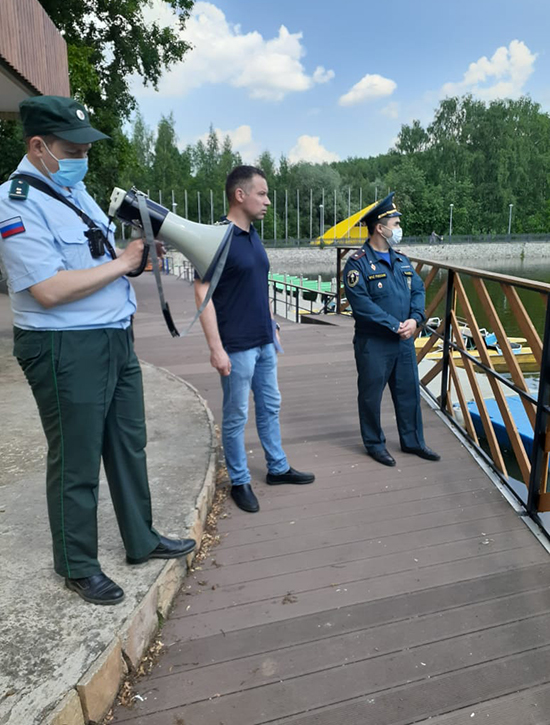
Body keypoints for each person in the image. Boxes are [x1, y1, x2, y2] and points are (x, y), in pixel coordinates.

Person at [0, 95, 196, 605]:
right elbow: (47, 289)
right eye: (73, 149)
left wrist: (130, 260)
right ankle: (77, 563)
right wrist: (123, 261)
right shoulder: (15, 200)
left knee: (128, 444)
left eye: (87, 149)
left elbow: (96, 256)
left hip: (113, 337)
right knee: (77, 458)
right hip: (64, 346)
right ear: (38, 146)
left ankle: (141, 537)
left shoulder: (78, 193)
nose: (82, 158)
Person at [194, 165, 315, 513]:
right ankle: (241, 480)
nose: (268, 201)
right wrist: (216, 348)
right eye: (261, 193)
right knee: (236, 416)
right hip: (236, 346)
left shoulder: (251, 235)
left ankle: (277, 468)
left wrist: (272, 322)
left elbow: (255, 285)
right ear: (240, 195)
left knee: (270, 406)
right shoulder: (216, 238)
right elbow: (201, 292)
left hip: (263, 340)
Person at [343, 192, 440, 467]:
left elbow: (418, 290)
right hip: (374, 343)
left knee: (409, 393)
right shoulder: (357, 263)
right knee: (371, 396)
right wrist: (395, 325)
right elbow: (361, 304)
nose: (399, 229)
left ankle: (413, 442)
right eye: (395, 224)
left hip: (404, 341)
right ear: (379, 227)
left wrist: (416, 319)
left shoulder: (401, 260)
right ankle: (375, 444)